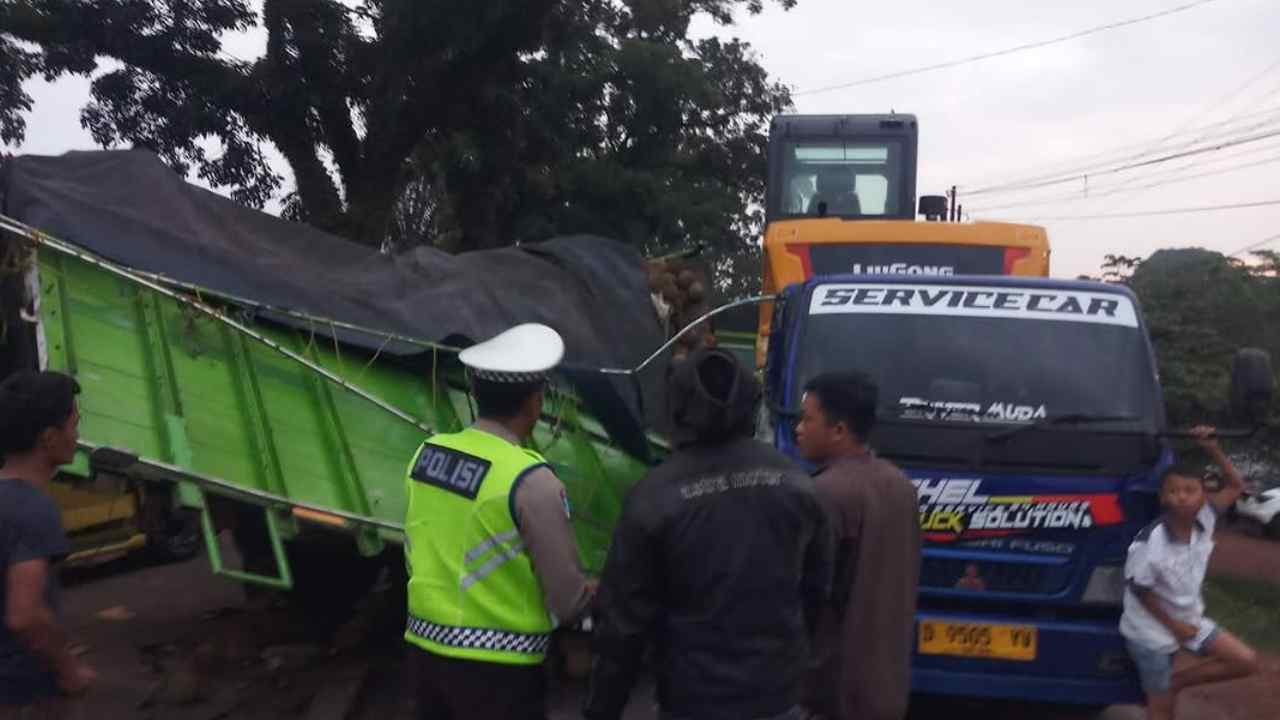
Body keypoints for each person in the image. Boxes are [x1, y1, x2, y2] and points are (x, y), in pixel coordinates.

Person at [584, 348, 832, 720]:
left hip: (693, 698)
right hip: (777, 694)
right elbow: (815, 594)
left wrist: (602, 710)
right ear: (751, 404)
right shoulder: (799, 485)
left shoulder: (653, 498)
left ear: (678, 410)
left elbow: (623, 628)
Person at [403, 324, 594, 720]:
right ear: (534, 402)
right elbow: (569, 601)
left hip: (424, 650)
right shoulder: (531, 481)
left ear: (475, 393)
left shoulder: (427, 454)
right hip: (499, 671)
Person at [796, 371, 920, 720]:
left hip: (831, 692)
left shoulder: (825, 494)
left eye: (808, 419)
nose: (798, 429)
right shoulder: (899, 485)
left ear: (839, 430)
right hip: (886, 689)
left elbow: (806, 595)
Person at [1120, 425, 1259, 720]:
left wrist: (1212, 448)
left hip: (1189, 620)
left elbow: (1235, 486)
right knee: (1162, 710)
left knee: (1245, 660)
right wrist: (1174, 627)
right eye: (1173, 491)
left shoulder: (1205, 521)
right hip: (1150, 632)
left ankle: (1175, 683)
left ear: (1202, 497)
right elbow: (1139, 589)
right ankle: (1163, 690)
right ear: (1162, 498)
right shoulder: (1150, 541)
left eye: (1189, 490)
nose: (1181, 497)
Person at [1, 371, 97, 714]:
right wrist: (69, 669)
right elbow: (24, 616)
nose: (77, 436)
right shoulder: (33, 509)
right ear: (49, 439)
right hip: (23, 694)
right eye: (74, 425)